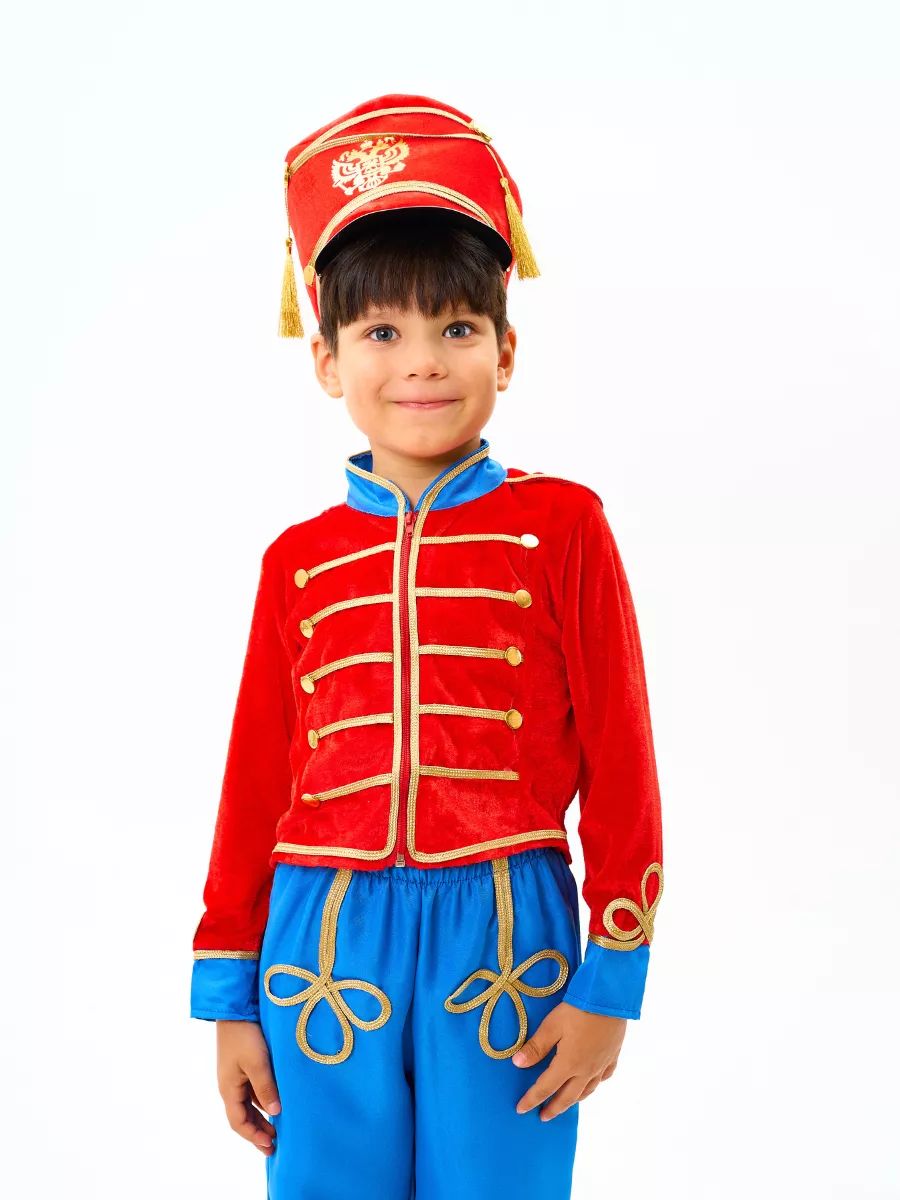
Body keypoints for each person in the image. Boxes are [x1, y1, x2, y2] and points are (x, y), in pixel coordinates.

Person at [190, 92, 664, 1200]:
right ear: (326, 360)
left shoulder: (564, 526)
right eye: (382, 333)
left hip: (503, 934)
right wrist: (229, 996)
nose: (424, 363)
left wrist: (612, 979)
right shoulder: (295, 561)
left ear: (507, 349)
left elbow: (623, 761)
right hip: (321, 940)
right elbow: (255, 783)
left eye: (457, 329)